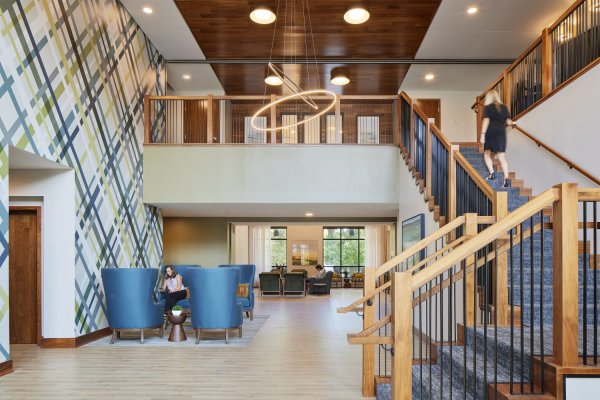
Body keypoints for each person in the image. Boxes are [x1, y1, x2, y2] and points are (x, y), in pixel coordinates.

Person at [480, 90, 516, 188]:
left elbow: (486, 120)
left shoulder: (487, 107)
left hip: (491, 131)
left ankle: (492, 174)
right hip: (501, 132)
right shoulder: (504, 107)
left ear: (489, 98)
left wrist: (482, 134)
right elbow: (508, 121)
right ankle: (506, 180)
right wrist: (513, 123)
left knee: (487, 154)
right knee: (502, 157)